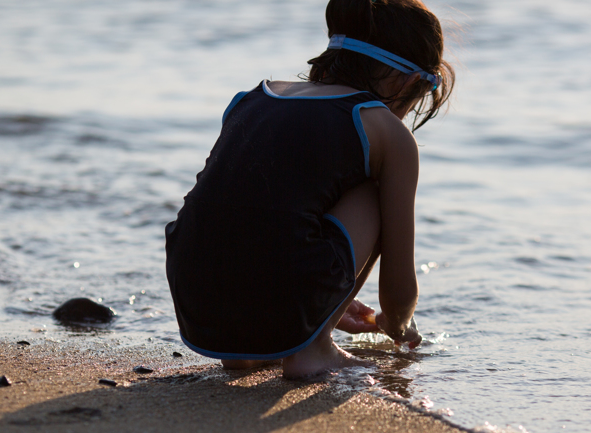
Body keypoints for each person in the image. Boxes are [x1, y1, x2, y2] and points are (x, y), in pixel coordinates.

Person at [165, 0, 455, 378]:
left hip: (196, 300)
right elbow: (398, 292)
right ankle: (313, 350)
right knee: (373, 190)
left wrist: (328, 302)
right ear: (408, 82)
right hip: (286, 283)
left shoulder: (252, 98)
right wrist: (398, 325)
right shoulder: (385, 130)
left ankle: (244, 352)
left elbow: (250, 213)